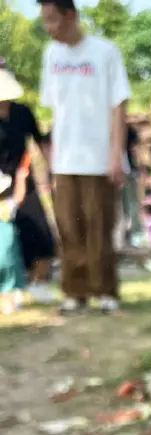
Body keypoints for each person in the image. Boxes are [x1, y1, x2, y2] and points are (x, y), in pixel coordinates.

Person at [38, 0, 130, 315]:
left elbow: (119, 104)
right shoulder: (51, 55)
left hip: (99, 158)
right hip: (65, 160)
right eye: (44, 22)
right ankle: (74, 293)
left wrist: (116, 155)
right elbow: (55, 111)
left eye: (52, 21)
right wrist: (50, 161)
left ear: (71, 15)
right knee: (67, 228)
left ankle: (105, 292)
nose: (49, 29)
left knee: (99, 226)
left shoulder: (104, 52)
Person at [0, 65, 56, 302]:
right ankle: (11, 287)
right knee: (7, 238)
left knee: (40, 231)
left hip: (24, 177)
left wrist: (51, 172)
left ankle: (39, 281)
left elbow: (41, 143)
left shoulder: (23, 112)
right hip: (1, 185)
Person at [0, 163, 29, 313]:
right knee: (7, 283)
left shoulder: (5, 206)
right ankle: (8, 304)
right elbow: (19, 196)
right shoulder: (6, 206)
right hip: (6, 257)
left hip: (6, 255)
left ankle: (8, 303)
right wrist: (21, 178)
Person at [120, 121, 143, 247]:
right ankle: (135, 234)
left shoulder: (106, 127)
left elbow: (136, 150)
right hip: (127, 170)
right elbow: (136, 150)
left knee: (123, 204)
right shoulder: (129, 129)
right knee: (132, 203)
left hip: (116, 172)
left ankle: (125, 235)